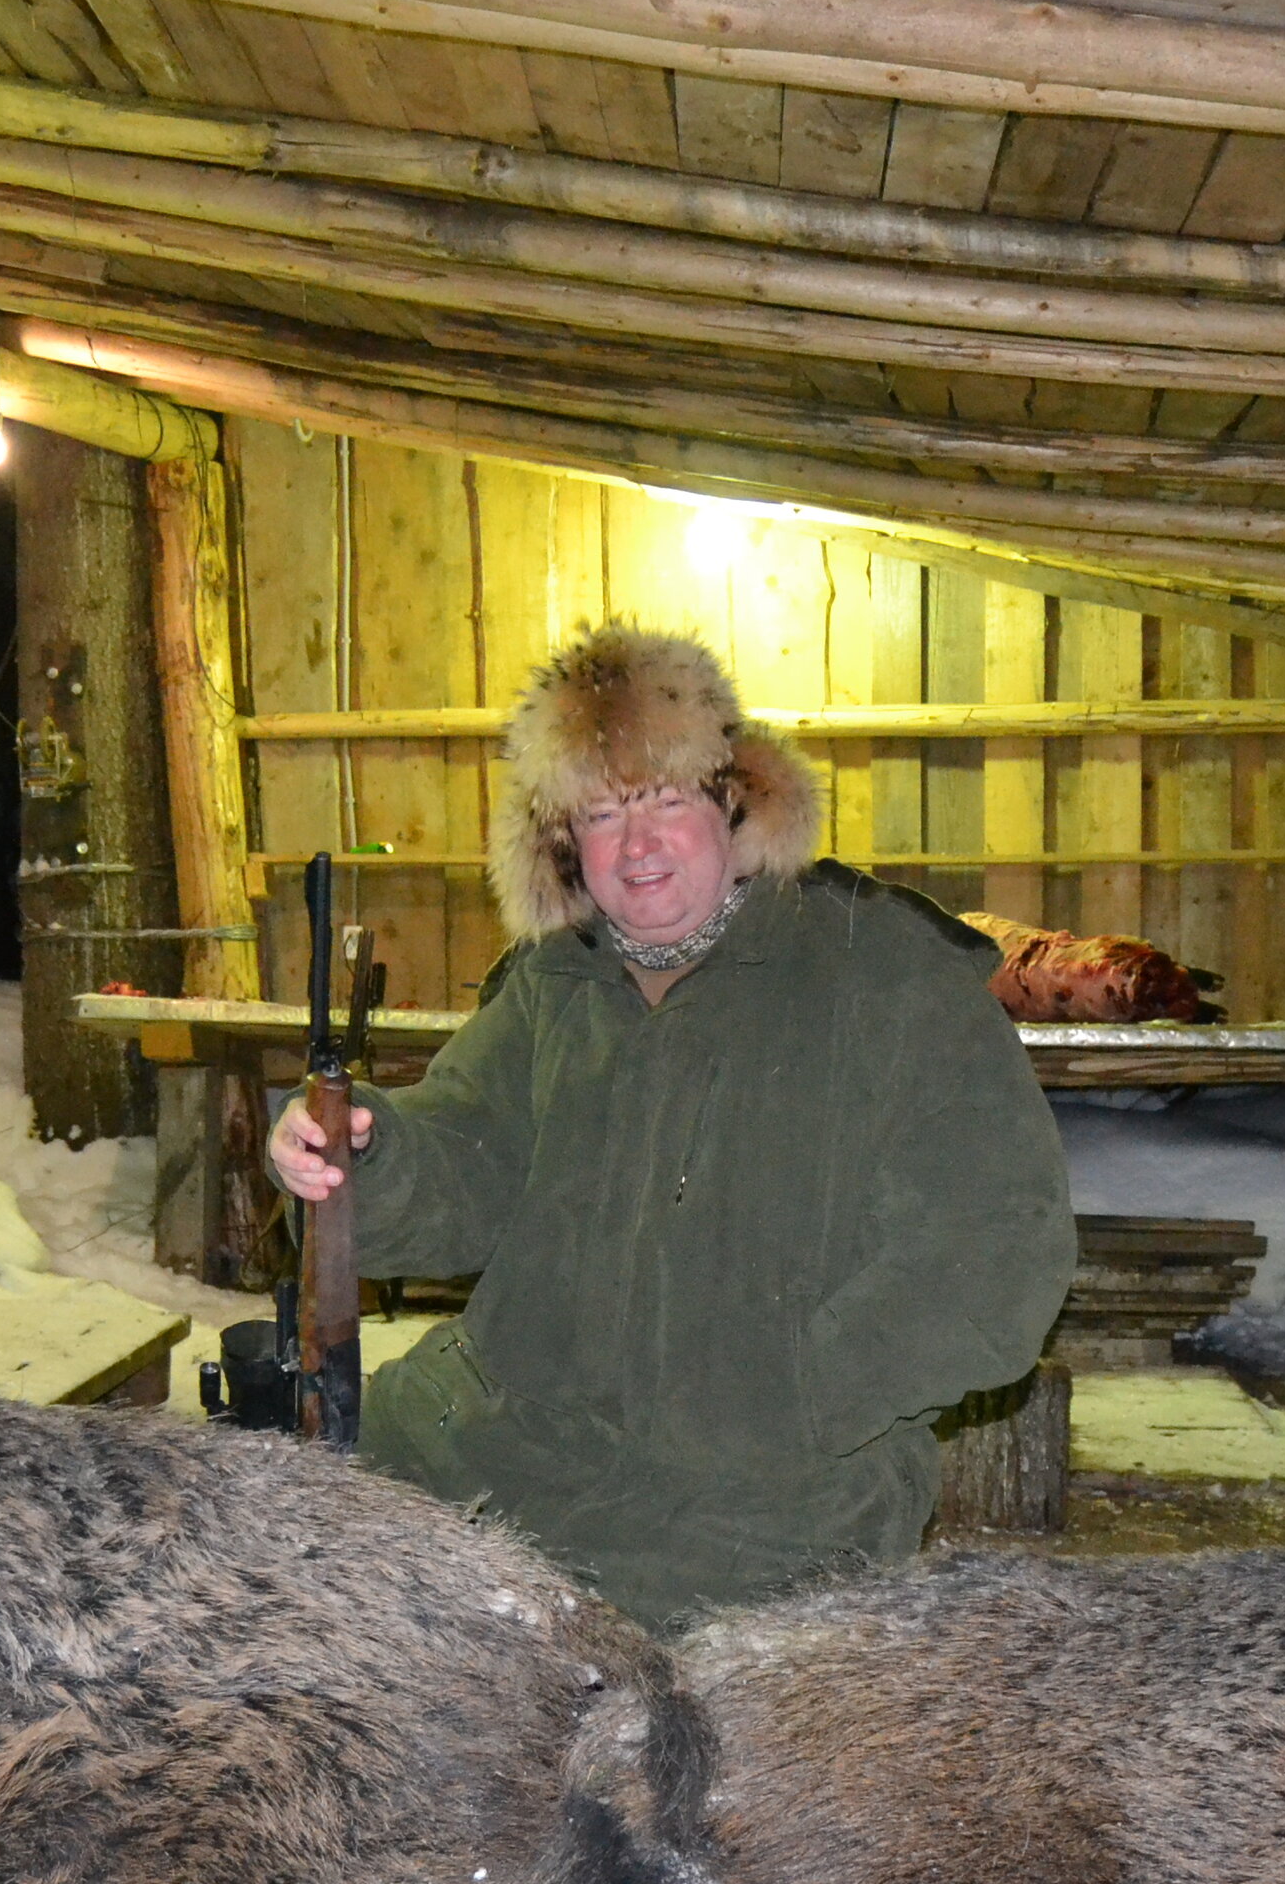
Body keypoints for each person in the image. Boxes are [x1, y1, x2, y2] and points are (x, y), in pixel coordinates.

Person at [268, 625, 1077, 1626]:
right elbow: (463, 1161)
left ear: (732, 800)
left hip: (763, 1496)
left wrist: (790, 1391)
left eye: (662, 799)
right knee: (269, 1591)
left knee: (606, 1732)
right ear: (565, 845)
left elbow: (997, 1250)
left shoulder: (881, 974)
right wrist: (364, 1153)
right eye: (602, 815)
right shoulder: (553, 985)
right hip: (499, 1432)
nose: (637, 844)